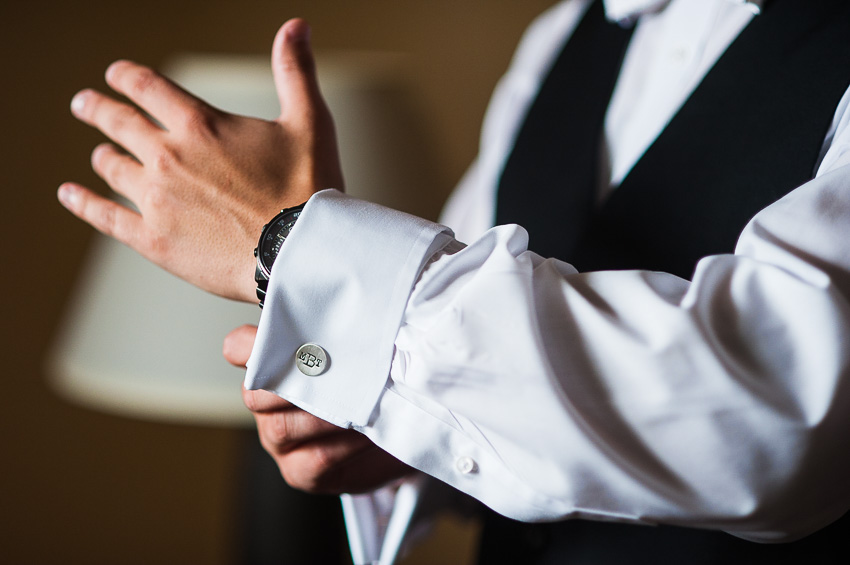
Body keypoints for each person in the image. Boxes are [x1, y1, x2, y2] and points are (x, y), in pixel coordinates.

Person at [60, 0, 850, 563]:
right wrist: (389, 429)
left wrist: (292, 243)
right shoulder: (559, 41)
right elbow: (465, 343)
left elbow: (786, 415)